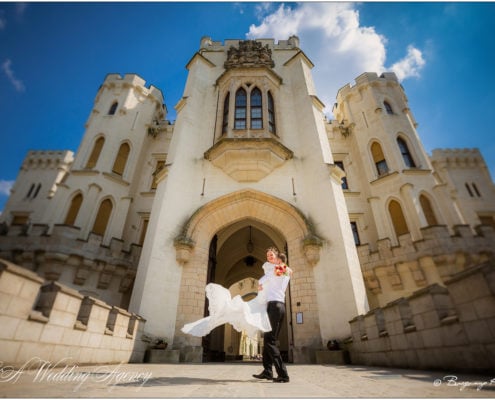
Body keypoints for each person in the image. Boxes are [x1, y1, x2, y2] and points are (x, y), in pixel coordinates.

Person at [253, 247, 292, 383]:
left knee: (270, 341)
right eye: (267, 255)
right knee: (268, 339)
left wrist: (280, 265)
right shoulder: (273, 272)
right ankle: (267, 371)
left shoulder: (280, 270)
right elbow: (263, 280)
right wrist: (260, 285)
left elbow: (287, 270)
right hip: (273, 306)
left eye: (272, 256)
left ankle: (283, 374)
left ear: (278, 259)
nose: (269, 257)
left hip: (275, 306)